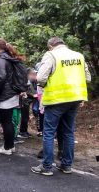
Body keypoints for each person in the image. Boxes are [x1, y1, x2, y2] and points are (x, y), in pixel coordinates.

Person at [31, 37, 90, 176]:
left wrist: (44, 85)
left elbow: (40, 78)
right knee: (68, 132)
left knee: (49, 133)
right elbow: (87, 78)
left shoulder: (51, 55)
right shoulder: (78, 56)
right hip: (75, 98)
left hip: (56, 99)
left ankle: (46, 167)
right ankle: (66, 165)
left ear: (51, 46)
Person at [0, 39, 24, 155]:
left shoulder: (0, 59)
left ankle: (7, 147)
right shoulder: (8, 57)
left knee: (6, 122)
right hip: (12, 93)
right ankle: (10, 145)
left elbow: (2, 77)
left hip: (5, 95)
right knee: (8, 121)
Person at [18, 68, 38, 138]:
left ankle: (24, 131)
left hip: (28, 101)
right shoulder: (26, 81)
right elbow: (29, 92)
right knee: (24, 117)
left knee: (26, 117)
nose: (34, 76)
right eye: (33, 74)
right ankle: (22, 132)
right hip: (24, 101)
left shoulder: (33, 81)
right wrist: (35, 95)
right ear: (28, 75)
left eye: (35, 74)